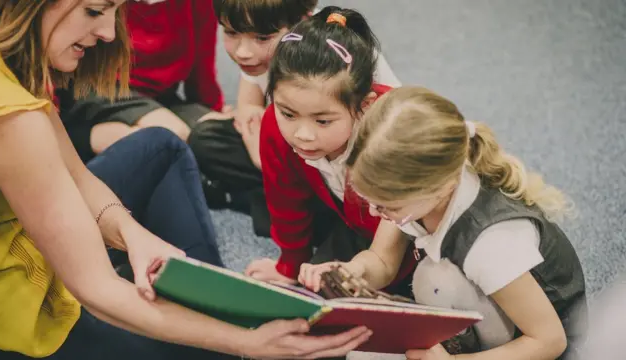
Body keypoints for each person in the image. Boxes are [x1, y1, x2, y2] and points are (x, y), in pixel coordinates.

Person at [0, 1, 371, 359]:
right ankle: (228, 333)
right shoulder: (10, 115)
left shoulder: (7, 58)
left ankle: (220, 304)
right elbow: (95, 289)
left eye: (115, 10)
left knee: (161, 146)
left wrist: (131, 234)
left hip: (31, 242)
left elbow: (77, 177)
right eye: (94, 10)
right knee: (206, 347)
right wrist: (245, 343)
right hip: (23, 322)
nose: (108, 31)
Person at [299, 86, 588, 359]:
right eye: (369, 200)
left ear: (439, 188)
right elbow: (382, 262)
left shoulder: (492, 245)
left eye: (387, 205)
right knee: (362, 350)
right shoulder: (421, 189)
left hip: (537, 345)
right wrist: (351, 272)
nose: (374, 214)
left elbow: (550, 341)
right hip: (489, 312)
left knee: (433, 280)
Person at [244, 7, 416, 298]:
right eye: (288, 113)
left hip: (417, 234)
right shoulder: (275, 124)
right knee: (314, 290)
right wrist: (289, 266)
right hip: (357, 224)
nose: (302, 134)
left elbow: (388, 257)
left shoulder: (394, 134)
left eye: (322, 120)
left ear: (365, 105)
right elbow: (284, 199)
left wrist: (360, 274)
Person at [190, 1, 401, 236]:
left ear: (301, 22)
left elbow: (393, 131)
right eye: (231, 32)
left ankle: (289, 210)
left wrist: (269, 155)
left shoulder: (342, 52)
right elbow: (248, 106)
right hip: (297, 145)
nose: (243, 52)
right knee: (205, 138)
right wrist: (259, 139)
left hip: (345, 161)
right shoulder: (262, 50)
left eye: (262, 38)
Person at [56, 0, 230, 164]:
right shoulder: (114, 8)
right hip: (104, 88)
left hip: (162, 98)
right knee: (172, 135)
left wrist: (213, 109)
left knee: (219, 134)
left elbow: (202, 62)